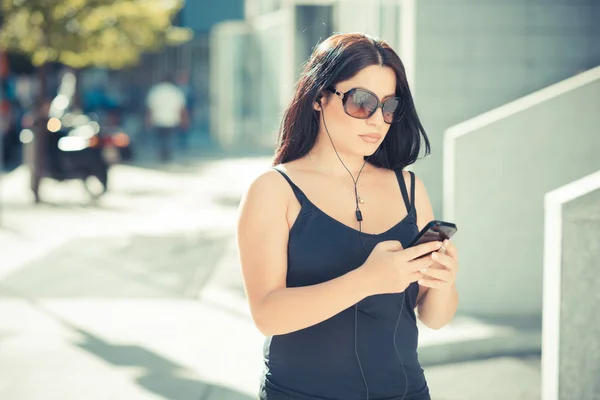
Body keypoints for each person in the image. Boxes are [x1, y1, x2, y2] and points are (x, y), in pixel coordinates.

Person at [237, 33, 460, 400]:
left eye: (389, 106)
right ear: (319, 98)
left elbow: (434, 317)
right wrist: (368, 280)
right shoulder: (273, 189)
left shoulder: (409, 187)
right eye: (362, 102)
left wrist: (445, 280)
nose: (377, 120)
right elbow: (267, 315)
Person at [145, 74, 188, 161]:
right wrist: (185, 120)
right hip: (172, 119)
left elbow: (150, 107)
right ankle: (167, 155)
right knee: (169, 139)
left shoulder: (155, 90)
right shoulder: (176, 91)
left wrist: (148, 120)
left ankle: (161, 154)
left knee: (160, 139)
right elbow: (181, 108)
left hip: (158, 119)